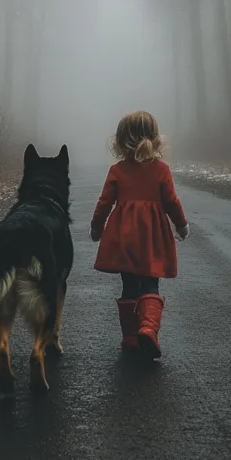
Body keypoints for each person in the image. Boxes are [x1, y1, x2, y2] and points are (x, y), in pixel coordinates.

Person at [89, 111, 189, 359]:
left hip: (124, 237)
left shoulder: (117, 170)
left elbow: (104, 203)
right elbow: (172, 202)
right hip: (153, 238)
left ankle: (130, 337)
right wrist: (181, 225)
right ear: (154, 138)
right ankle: (148, 329)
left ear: (121, 141)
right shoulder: (161, 170)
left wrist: (96, 228)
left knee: (129, 285)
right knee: (150, 283)